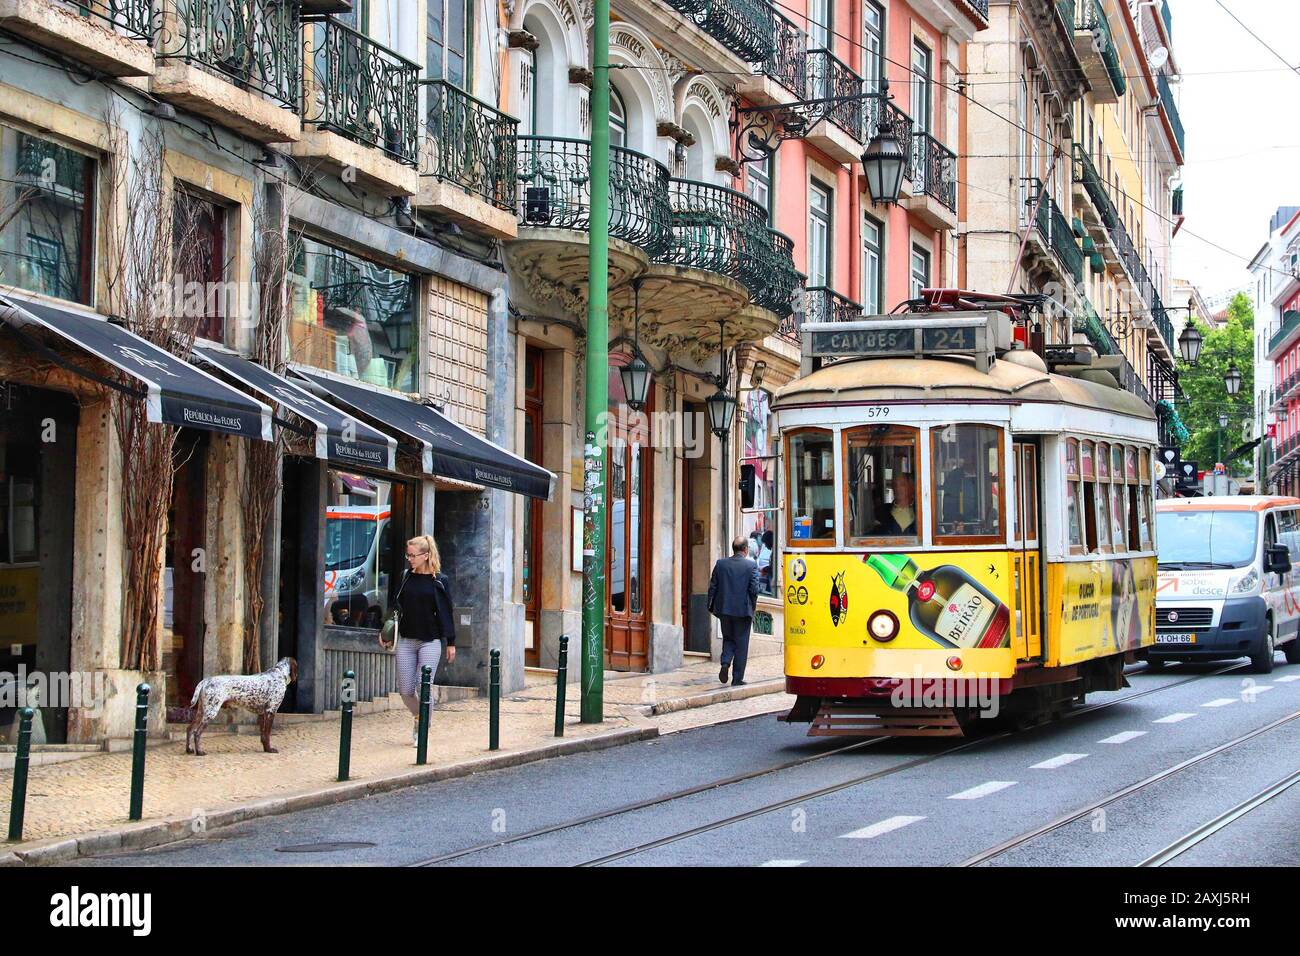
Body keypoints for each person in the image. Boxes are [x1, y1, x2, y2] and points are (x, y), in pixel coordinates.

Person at [386, 535, 457, 745]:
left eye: (413, 555)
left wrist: (451, 642)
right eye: (407, 555)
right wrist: (386, 632)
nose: (409, 559)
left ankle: (423, 728)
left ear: (426, 555)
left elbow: (446, 612)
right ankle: (419, 717)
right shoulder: (406, 576)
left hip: (430, 641)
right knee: (406, 690)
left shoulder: (439, 580)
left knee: (423, 684)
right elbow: (395, 606)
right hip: (406, 640)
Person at [708, 535, 761, 686]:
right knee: (741, 644)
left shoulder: (721, 564)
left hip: (724, 610)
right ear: (745, 549)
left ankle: (725, 662)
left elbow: (713, 587)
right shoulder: (751, 567)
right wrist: (753, 607)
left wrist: (711, 606)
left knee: (728, 638)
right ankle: (737, 678)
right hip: (743, 611)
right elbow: (755, 590)